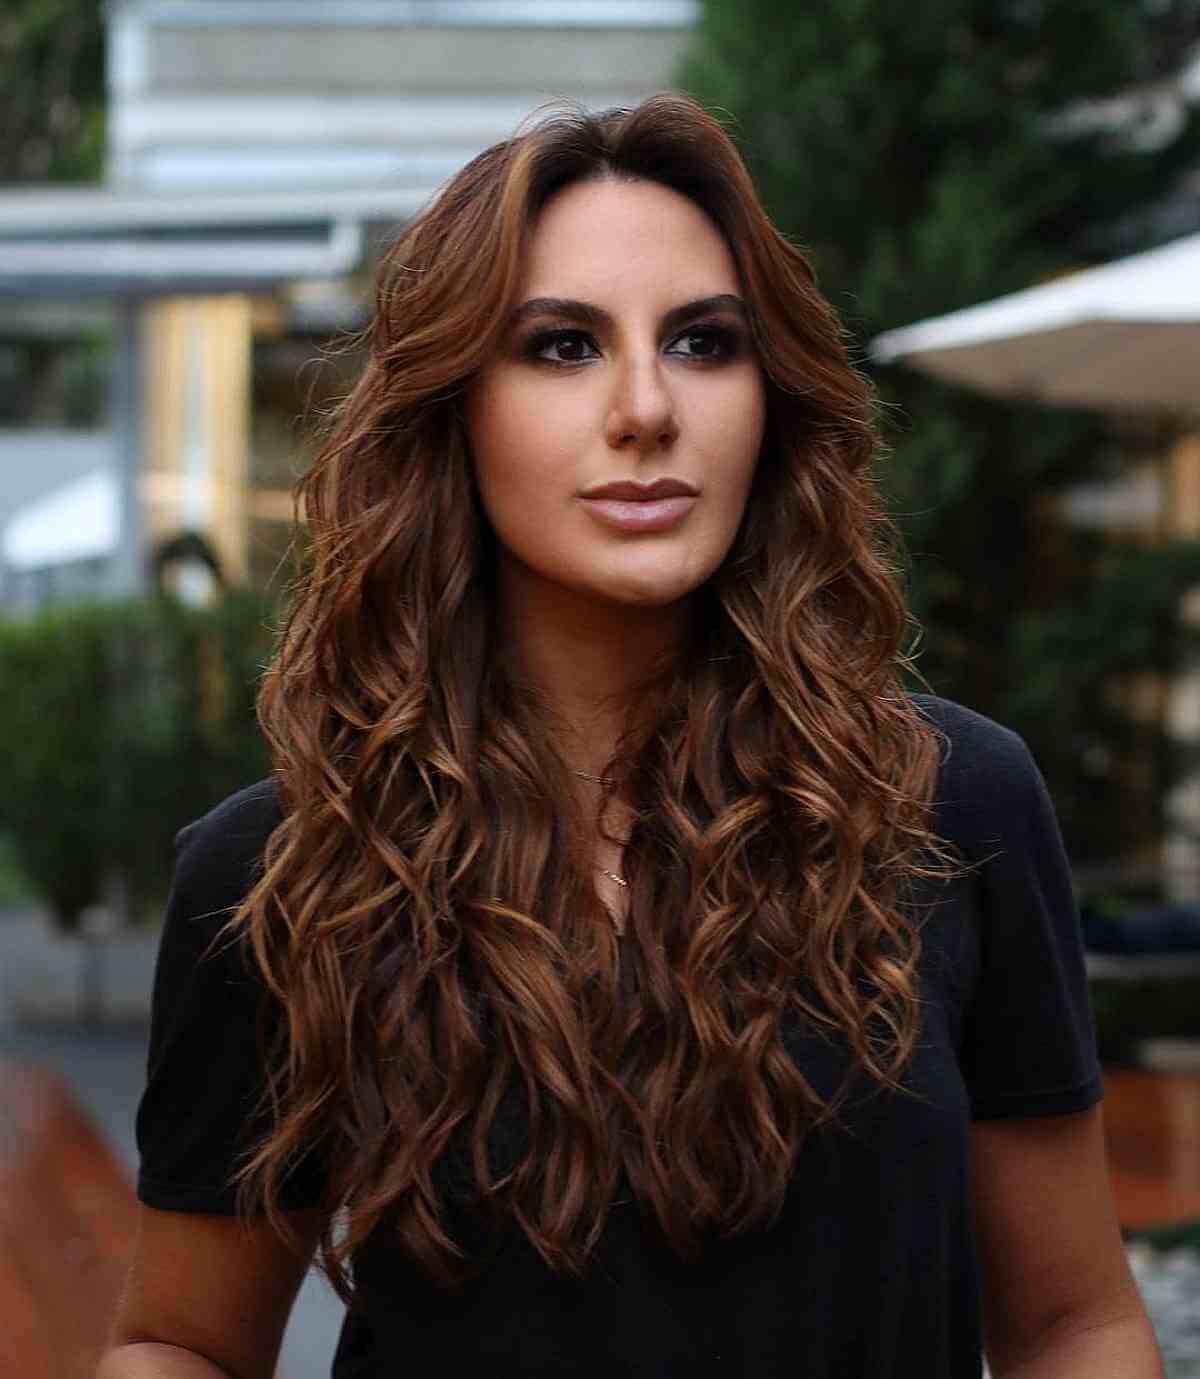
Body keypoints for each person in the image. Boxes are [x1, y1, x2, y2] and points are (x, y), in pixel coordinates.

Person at [99, 93, 1161, 1379]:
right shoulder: (285, 870)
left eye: (705, 342)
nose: (647, 406)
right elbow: (182, 1341)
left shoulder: (952, 804)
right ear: (453, 408)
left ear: (770, 398)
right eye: (562, 346)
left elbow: (1071, 1325)